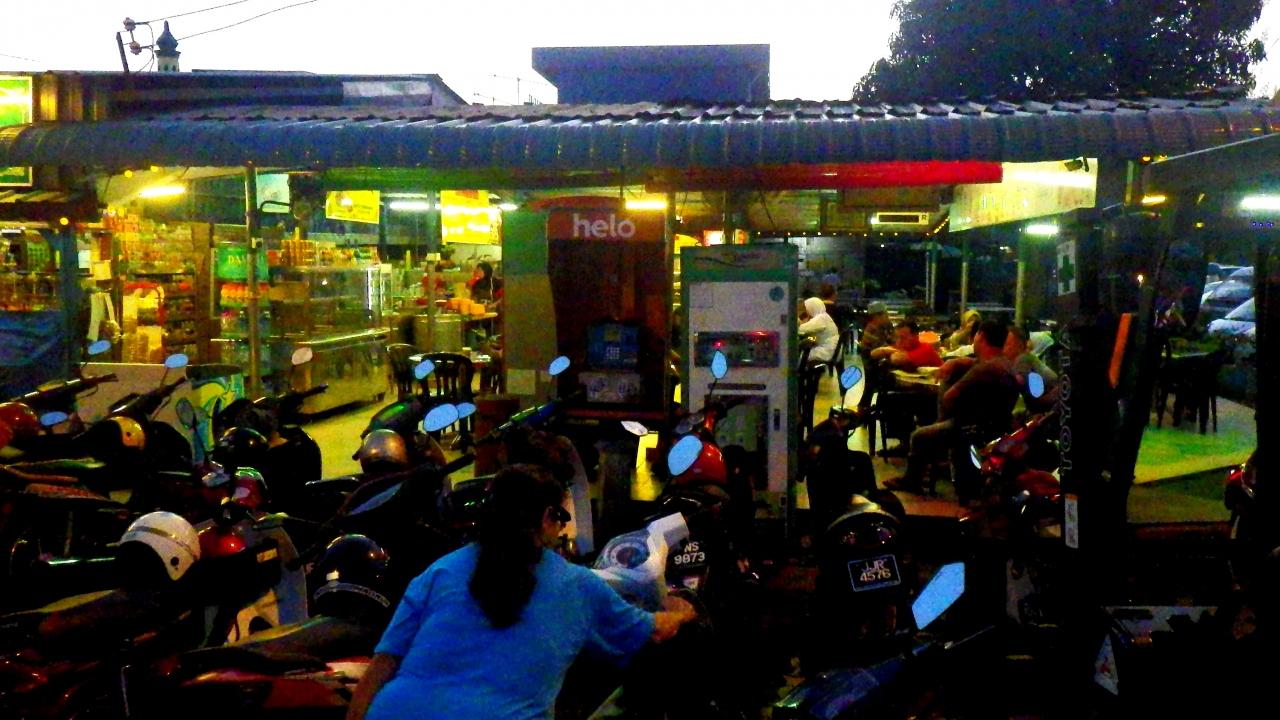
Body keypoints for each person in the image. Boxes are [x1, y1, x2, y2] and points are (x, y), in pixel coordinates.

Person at [346, 465, 697, 720]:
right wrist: (680, 611)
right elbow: (654, 631)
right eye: (561, 518)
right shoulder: (578, 584)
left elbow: (382, 665)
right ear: (546, 517)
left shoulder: (440, 571)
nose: (561, 530)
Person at [885, 320, 1019, 503]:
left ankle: (911, 482)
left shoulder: (984, 369)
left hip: (970, 428)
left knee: (919, 436)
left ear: (980, 336)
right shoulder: (1004, 363)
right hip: (996, 426)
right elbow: (974, 362)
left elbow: (950, 396)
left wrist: (948, 393)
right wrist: (956, 362)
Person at [1003, 325, 1059, 413]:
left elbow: (1018, 383)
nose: (1003, 349)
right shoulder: (1027, 357)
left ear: (1019, 345)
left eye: (1007, 344)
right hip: (1055, 398)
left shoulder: (1021, 359)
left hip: (1053, 402)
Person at [869, 321, 943, 372]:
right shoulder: (903, 346)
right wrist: (885, 350)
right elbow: (874, 353)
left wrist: (886, 351)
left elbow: (896, 359)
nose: (899, 341)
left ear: (915, 336)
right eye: (897, 337)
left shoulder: (925, 349)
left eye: (903, 337)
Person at [799, 297, 840, 364]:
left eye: (807, 309)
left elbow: (801, 329)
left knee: (800, 356)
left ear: (812, 308)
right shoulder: (824, 316)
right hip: (832, 349)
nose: (807, 311)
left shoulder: (820, 318)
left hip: (826, 351)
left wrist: (799, 320)